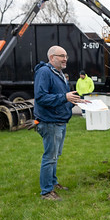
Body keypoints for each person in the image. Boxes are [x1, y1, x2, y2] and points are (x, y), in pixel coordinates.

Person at [34, 45, 88, 200]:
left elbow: (62, 98)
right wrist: (65, 97)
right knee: (49, 157)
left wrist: (77, 102)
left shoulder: (59, 74)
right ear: (52, 58)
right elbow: (41, 97)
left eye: (66, 56)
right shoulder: (44, 72)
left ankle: (52, 182)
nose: (65, 59)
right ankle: (46, 192)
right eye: (61, 56)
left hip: (59, 121)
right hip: (49, 122)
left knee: (55, 155)